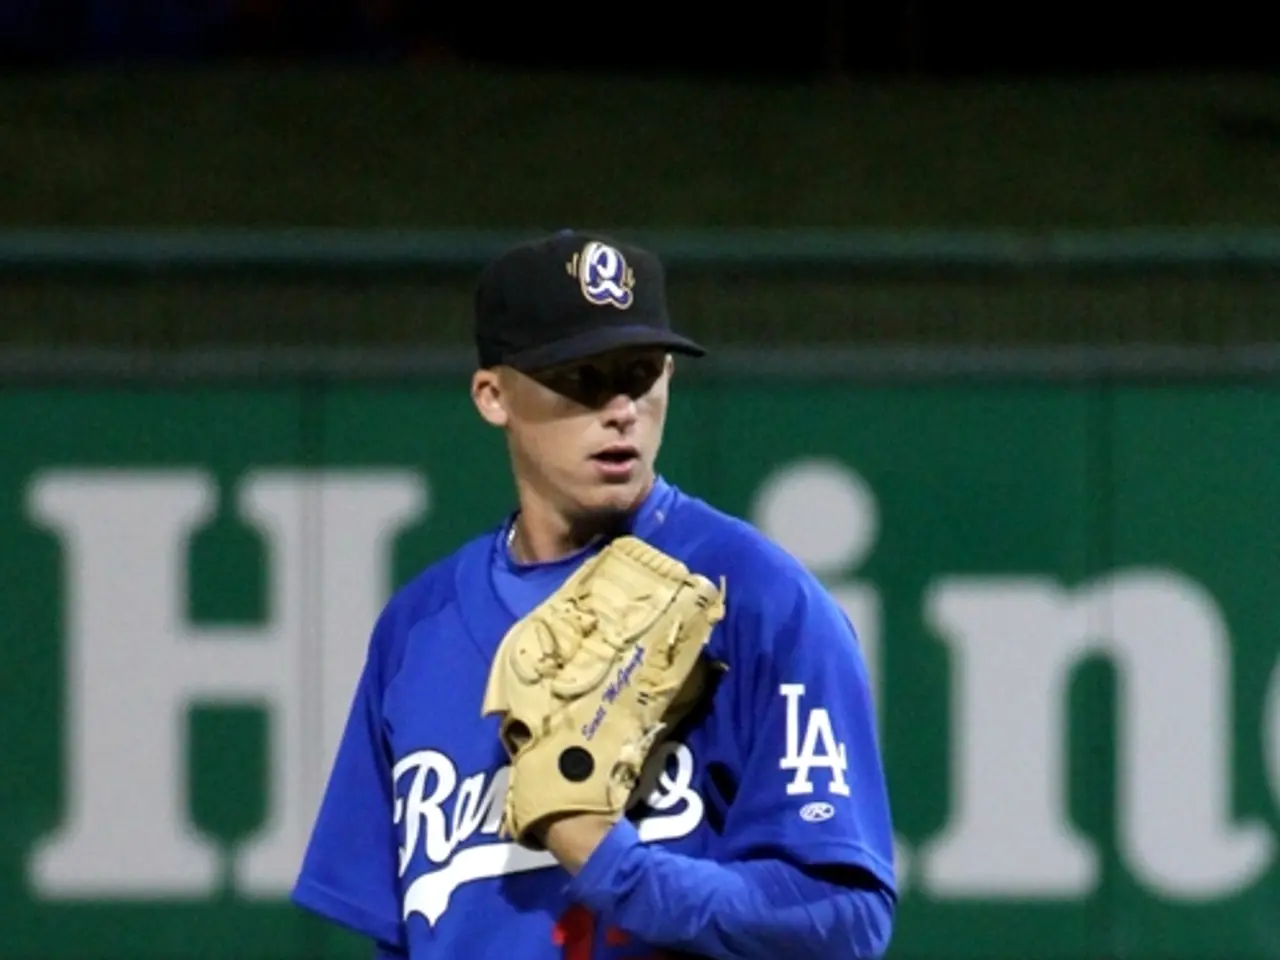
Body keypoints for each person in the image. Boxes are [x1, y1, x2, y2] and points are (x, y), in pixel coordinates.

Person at [291, 230, 898, 959]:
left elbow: (842, 917)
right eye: (581, 377)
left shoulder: (759, 602)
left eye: (641, 374)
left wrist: (615, 865)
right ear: (493, 395)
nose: (620, 409)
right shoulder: (417, 630)